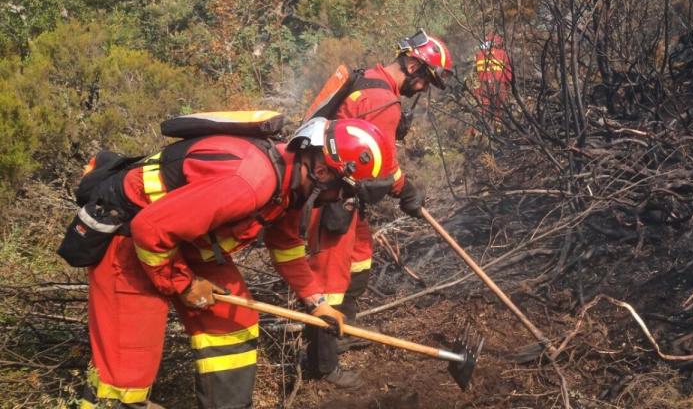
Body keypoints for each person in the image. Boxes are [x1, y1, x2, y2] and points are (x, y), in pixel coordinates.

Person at [80, 117, 399, 408]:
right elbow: (149, 230)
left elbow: (286, 246)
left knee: (234, 322)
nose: (337, 201)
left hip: (183, 243)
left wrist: (317, 303)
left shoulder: (289, 186)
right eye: (341, 192)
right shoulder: (250, 182)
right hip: (129, 244)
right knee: (125, 381)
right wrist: (184, 284)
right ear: (322, 172)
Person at [302, 29, 454, 388]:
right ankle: (323, 368)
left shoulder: (364, 78)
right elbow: (384, 166)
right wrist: (407, 191)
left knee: (360, 264)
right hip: (331, 203)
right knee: (331, 285)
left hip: (343, 199)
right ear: (414, 64)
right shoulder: (383, 102)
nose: (423, 89)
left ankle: (339, 333)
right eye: (426, 80)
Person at [473, 32, 512, 116]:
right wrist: (507, 87)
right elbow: (509, 75)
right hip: (499, 85)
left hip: (483, 85)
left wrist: (476, 91)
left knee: (483, 111)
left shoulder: (478, 54)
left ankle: (483, 126)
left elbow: (475, 75)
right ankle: (498, 126)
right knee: (499, 110)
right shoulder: (503, 54)